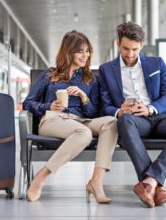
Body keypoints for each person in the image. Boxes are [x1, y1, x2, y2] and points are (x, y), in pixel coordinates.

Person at [99, 22, 166, 208]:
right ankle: (154, 184)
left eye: (135, 49)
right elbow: (106, 105)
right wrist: (120, 111)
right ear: (118, 43)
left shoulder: (157, 63)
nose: (129, 54)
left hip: (160, 118)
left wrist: (150, 108)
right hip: (134, 122)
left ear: (142, 45)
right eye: (125, 48)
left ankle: (149, 182)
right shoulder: (106, 69)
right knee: (124, 120)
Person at [23, 30, 118, 203]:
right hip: (52, 119)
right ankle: (41, 177)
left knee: (111, 122)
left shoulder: (91, 79)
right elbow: (27, 103)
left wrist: (84, 97)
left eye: (87, 51)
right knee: (84, 133)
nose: (85, 55)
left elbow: (91, 112)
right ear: (68, 51)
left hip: (79, 121)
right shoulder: (50, 74)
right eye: (80, 51)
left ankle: (96, 182)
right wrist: (47, 106)